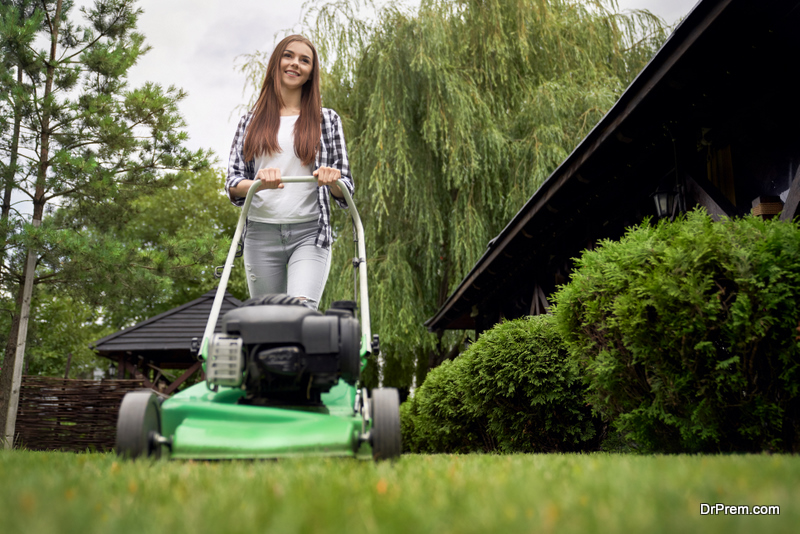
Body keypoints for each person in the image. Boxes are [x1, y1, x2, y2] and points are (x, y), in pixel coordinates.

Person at [225, 35, 354, 310]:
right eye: (288, 56)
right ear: (276, 63)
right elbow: (233, 183)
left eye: (304, 60)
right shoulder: (250, 121)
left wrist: (333, 181)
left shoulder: (326, 120)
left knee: (301, 314)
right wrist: (258, 183)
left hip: (310, 233)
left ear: (310, 73)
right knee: (266, 320)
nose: (295, 63)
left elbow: (346, 189)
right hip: (261, 233)